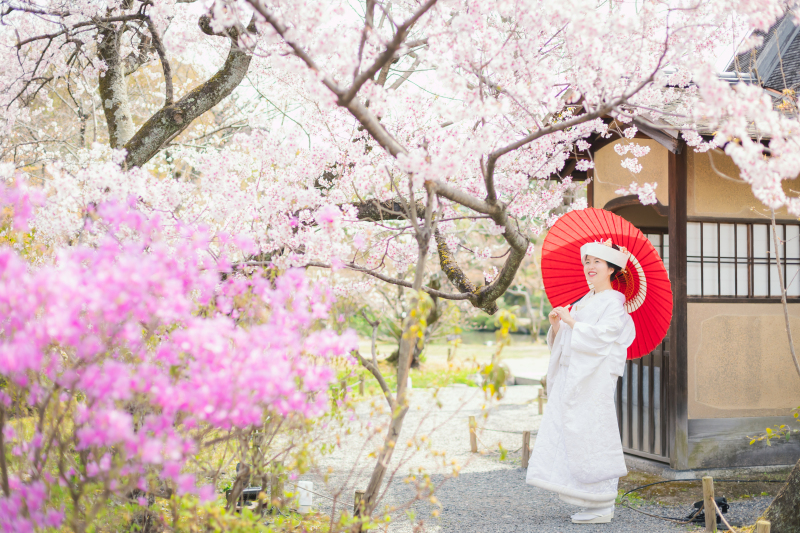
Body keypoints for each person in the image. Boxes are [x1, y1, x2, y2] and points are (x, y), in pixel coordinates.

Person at [526, 240, 636, 524]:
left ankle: (601, 502)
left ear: (611, 268)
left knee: (592, 433)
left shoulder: (614, 302)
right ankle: (586, 499)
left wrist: (573, 324)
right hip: (573, 376)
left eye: (597, 262)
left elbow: (605, 336)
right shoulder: (585, 300)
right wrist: (557, 325)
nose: (589, 267)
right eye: (587, 261)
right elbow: (565, 340)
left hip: (593, 379)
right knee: (572, 432)